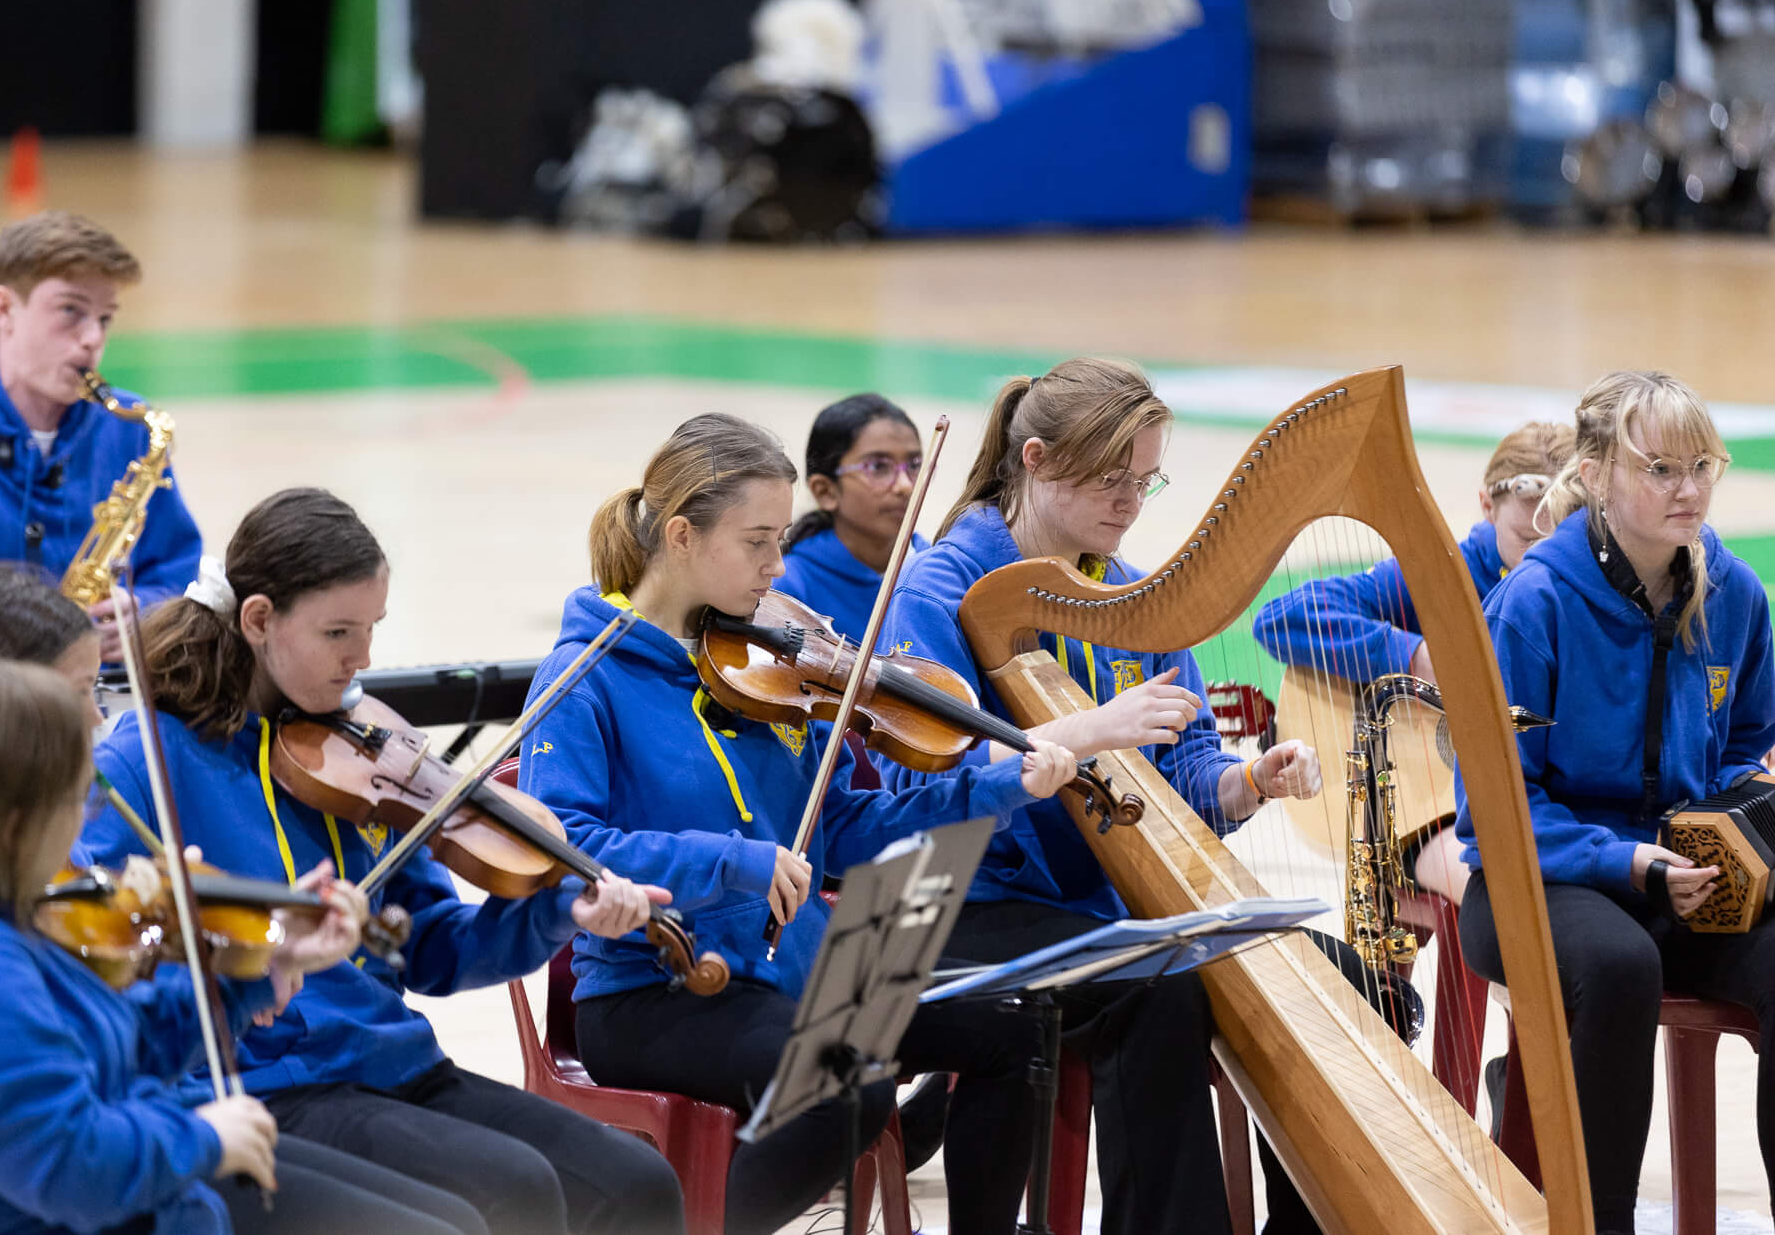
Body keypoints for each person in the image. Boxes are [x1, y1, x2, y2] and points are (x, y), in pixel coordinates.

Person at [519, 412, 1080, 1235]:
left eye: (781, 539)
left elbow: (845, 825)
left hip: (791, 969)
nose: (779, 566)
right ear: (682, 535)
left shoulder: (768, 664)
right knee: (847, 1081)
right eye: (757, 542)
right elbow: (563, 847)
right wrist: (735, 860)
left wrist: (995, 789)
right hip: (654, 988)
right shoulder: (585, 672)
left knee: (1016, 1027)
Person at [76, 486, 688, 1235]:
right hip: (268, 1081)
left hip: (393, 1062)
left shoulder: (361, 750)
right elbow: (97, 950)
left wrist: (558, 911)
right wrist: (249, 954)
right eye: (338, 631)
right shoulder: (146, 758)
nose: (363, 659)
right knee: (512, 1190)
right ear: (259, 619)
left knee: (639, 1183)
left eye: (372, 628)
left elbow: (431, 948)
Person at [0, 653, 480, 1235]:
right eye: (74, 801)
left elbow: (88, 1044)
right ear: (15, 815)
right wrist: (200, 1136)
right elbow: (67, 1164)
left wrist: (251, 974)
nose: (80, 837)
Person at [875, 357, 1326, 1235]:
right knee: (1156, 991)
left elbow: (1188, 770)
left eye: (1146, 481)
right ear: (1035, 460)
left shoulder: (1131, 598)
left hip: (1096, 907)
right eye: (1110, 480)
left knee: (1322, 973)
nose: (1130, 504)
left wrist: (1247, 781)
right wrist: (1082, 734)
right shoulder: (939, 594)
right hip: (967, 901)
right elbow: (917, 794)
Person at [1454, 370, 1775, 1235]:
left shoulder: (1736, 593)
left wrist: (1726, 832)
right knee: (1622, 963)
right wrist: (1627, 860)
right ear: (1594, 475)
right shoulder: (1534, 601)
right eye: (1661, 468)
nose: (1691, 489)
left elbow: (1749, 740)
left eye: (1702, 465)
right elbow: (1494, 810)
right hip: (1533, 883)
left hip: (1680, 879)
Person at [1252, 419, 1575, 901]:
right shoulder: (1447, 574)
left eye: (1559, 543)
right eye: (1526, 541)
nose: (1540, 560)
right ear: (1487, 506)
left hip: (1543, 803)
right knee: (1504, 891)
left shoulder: (1585, 589)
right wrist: (1418, 657)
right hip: (1429, 814)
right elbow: (1280, 618)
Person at [0, 211, 201, 660]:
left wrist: (143, 609)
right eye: (71, 310)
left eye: (105, 318)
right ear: (4, 309)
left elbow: (179, 574)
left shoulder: (130, 432)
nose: (92, 339)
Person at [772, 392, 927, 642]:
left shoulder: (938, 573)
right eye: (878, 467)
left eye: (914, 464)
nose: (905, 486)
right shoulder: (788, 588)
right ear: (826, 491)